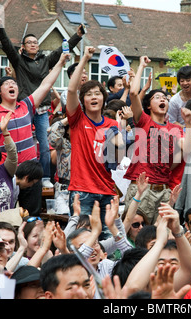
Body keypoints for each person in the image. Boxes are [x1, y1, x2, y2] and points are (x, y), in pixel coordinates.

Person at [0, 17, 85, 187]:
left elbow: (61, 50)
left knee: (44, 143)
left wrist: (77, 36)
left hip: (42, 109)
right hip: (24, 108)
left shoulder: (45, 60)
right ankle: (14, 173)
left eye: (36, 42)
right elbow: (6, 45)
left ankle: (44, 177)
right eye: (29, 43)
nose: (33, 45)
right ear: (24, 47)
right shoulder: (18, 61)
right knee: (20, 143)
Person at [65, 46, 124, 240]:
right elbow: (72, 88)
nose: (93, 97)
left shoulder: (112, 123)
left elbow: (117, 160)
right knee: (82, 244)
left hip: (107, 191)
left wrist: (120, 142)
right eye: (88, 94)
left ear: (104, 98)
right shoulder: (77, 119)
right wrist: (85, 59)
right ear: (82, 100)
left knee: (110, 245)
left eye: (97, 93)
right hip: (82, 193)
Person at [122, 56, 183, 225]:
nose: (162, 99)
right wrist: (141, 65)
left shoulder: (176, 129)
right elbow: (134, 93)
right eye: (157, 97)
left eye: (165, 98)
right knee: (133, 231)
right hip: (142, 189)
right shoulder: (144, 121)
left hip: (163, 190)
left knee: (159, 235)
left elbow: (177, 158)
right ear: (148, 106)